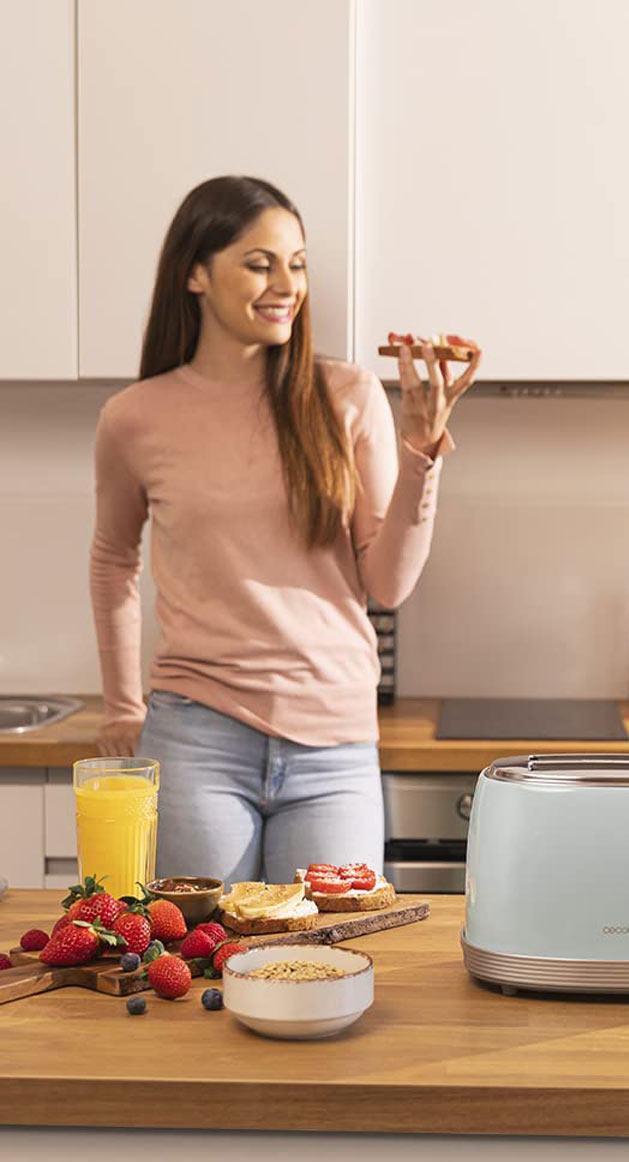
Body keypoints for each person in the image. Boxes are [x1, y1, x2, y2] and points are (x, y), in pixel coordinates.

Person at [88, 175, 480, 884]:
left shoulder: (348, 396)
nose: (286, 284)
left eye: (296, 264)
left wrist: (423, 449)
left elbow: (387, 582)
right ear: (196, 273)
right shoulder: (134, 418)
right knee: (210, 965)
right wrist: (122, 703)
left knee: (328, 963)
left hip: (335, 744)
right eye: (260, 263)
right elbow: (114, 560)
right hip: (197, 734)